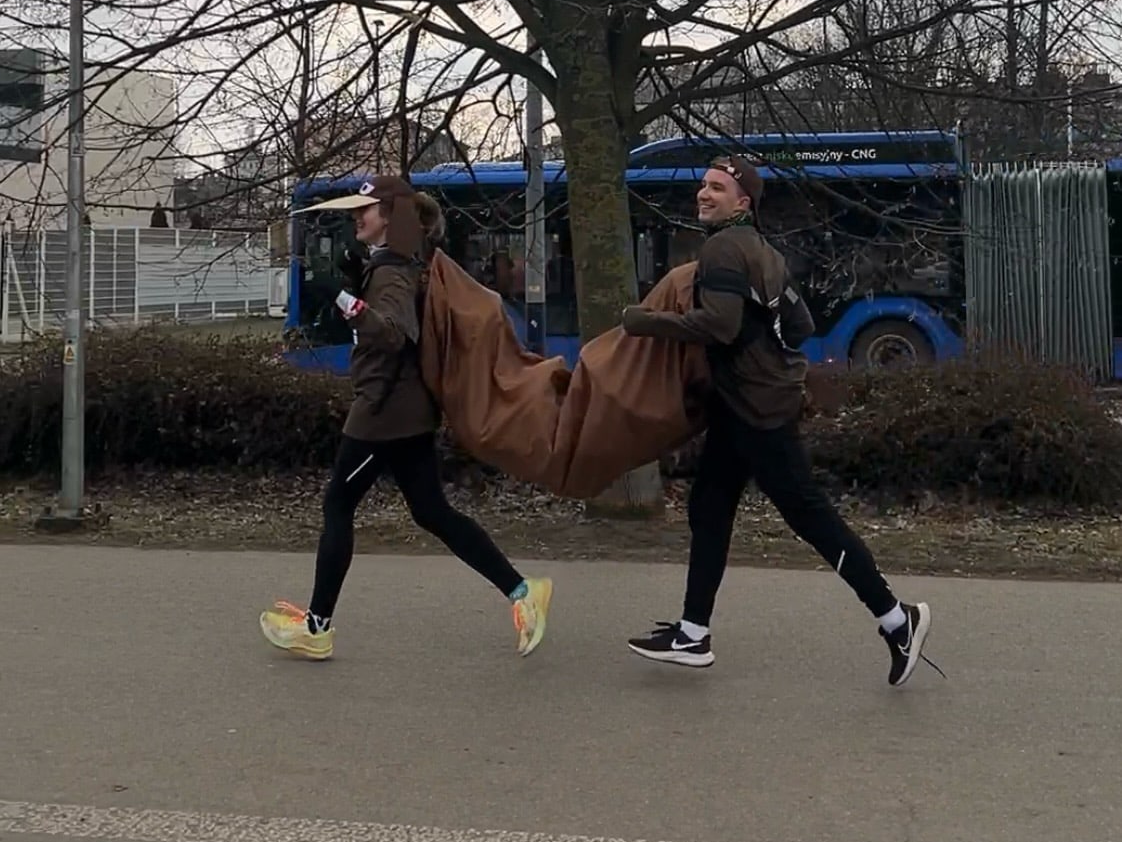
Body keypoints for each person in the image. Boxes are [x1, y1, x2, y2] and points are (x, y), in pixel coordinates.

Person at [620, 156, 936, 688]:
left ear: (742, 203)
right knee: (710, 506)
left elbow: (718, 326)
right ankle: (693, 634)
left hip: (756, 412)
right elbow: (801, 323)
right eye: (703, 184)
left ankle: (898, 621)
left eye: (717, 188)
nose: (704, 193)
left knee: (809, 516)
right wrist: (771, 357)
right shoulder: (763, 251)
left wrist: (643, 321)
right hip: (748, 405)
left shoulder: (723, 248)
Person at [260, 174, 552, 661]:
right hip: (407, 407)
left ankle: (317, 628)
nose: (357, 217)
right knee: (431, 512)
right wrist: (357, 282)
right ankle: (524, 592)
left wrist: (339, 294)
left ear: (391, 219)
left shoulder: (393, 270)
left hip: (384, 412)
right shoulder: (398, 264)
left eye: (366, 211)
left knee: (338, 505)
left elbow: (393, 333)